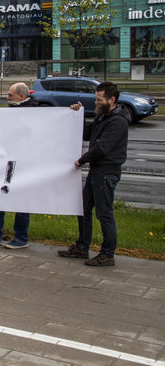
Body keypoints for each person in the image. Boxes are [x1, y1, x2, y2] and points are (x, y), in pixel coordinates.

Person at [59, 82, 129, 267]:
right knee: (83, 209)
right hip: (97, 172)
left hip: (106, 173)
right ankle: (82, 246)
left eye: (99, 99)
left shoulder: (118, 121)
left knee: (104, 214)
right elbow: (87, 134)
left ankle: (107, 255)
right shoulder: (104, 117)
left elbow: (103, 147)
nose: (96, 102)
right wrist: (78, 115)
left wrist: (82, 160)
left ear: (112, 100)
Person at [0, 82, 37, 248]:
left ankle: (21, 237)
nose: (7, 98)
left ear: (21, 96)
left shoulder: (36, 112)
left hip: (24, 162)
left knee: (21, 200)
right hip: (6, 159)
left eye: (10, 95)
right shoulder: (12, 110)